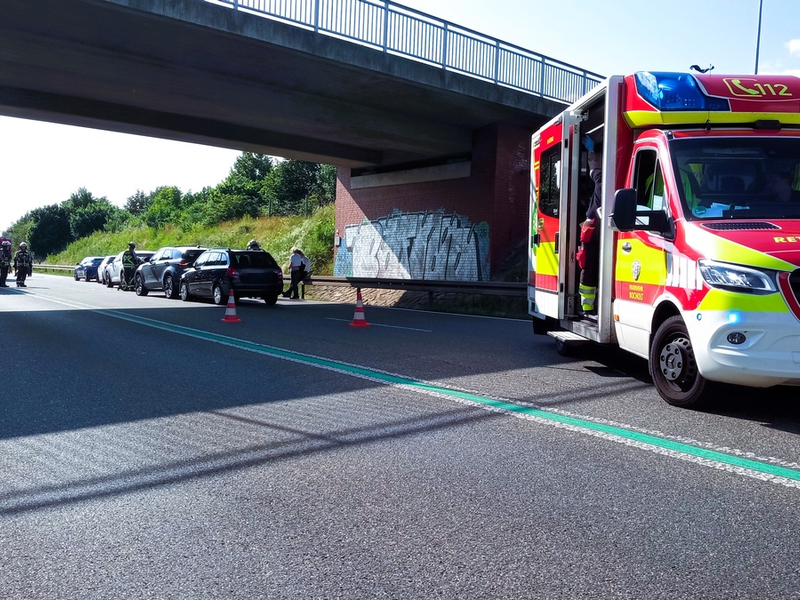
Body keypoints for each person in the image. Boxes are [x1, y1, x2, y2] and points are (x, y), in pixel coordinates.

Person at [578, 146, 602, 316]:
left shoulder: (601, 180)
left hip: (593, 228)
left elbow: (596, 175)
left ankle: (588, 307)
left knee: (588, 266)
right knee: (589, 265)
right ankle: (588, 307)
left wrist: (593, 165)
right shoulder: (605, 180)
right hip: (593, 229)